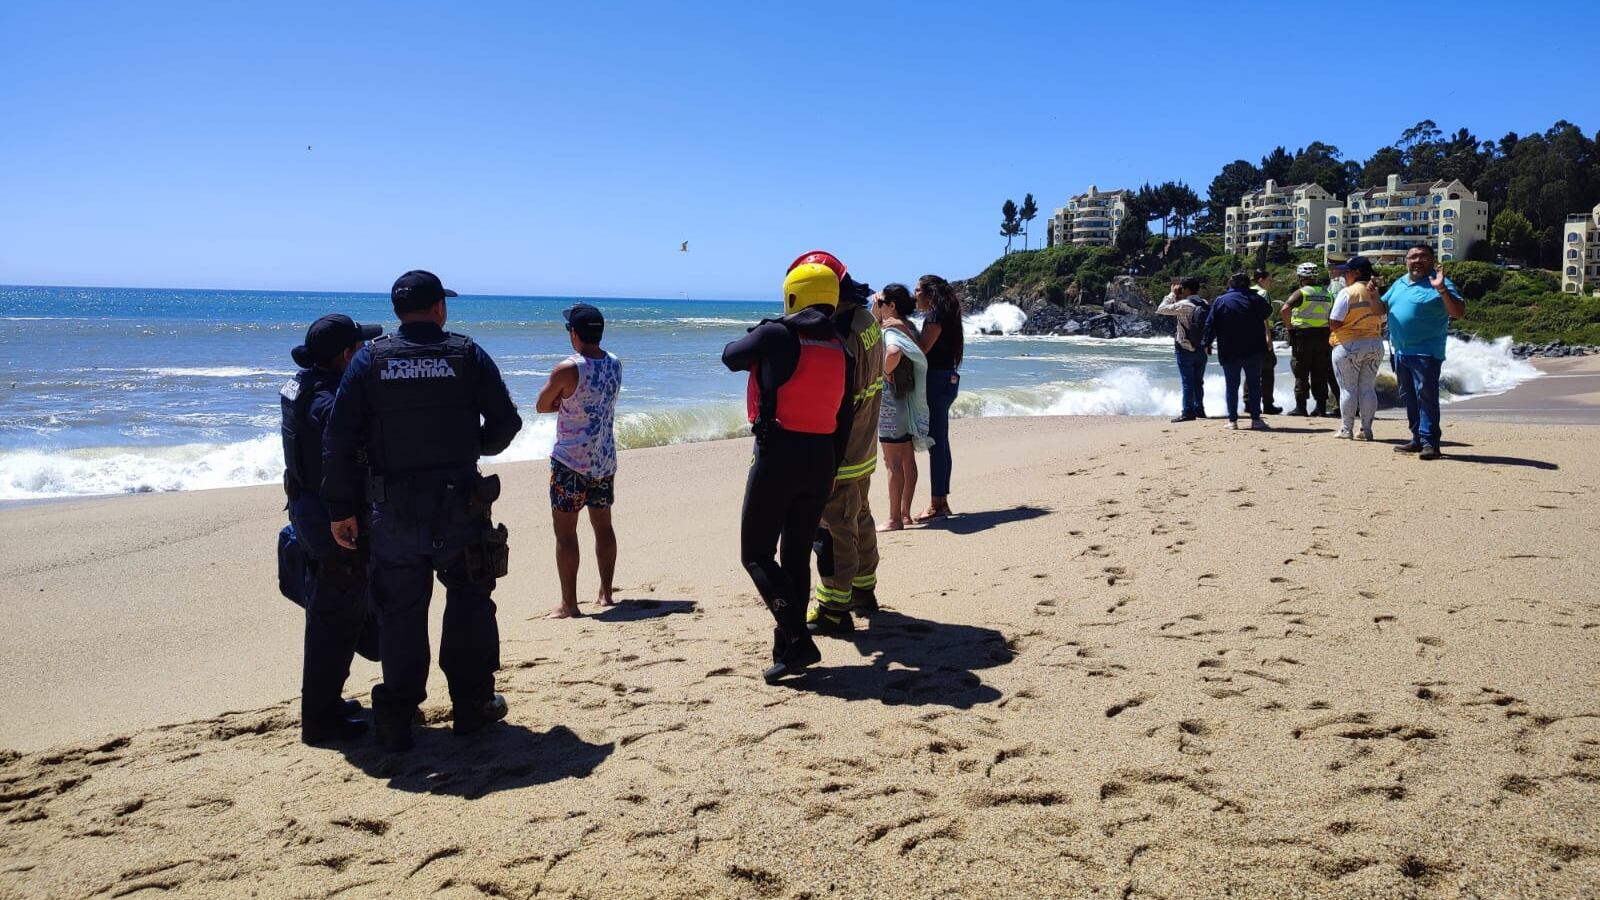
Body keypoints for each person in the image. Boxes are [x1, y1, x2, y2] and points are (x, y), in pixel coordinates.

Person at [323, 270, 524, 752]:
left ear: (397, 312)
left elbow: (339, 435)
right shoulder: (467, 354)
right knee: (471, 603)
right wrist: (468, 446)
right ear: (440, 308)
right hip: (459, 503)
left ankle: (398, 715)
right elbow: (506, 423)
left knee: (400, 612)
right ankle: (472, 705)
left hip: (391, 511)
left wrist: (339, 509)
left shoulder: (370, 359)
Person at [722, 261, 850, 683]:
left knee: (755, 554)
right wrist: (833, 466)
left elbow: (730, 356)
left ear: (792, 295)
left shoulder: (777, 333)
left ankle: (796, 638)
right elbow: (843, 415)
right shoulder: (840, 347)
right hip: (822, 459)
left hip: (779, 454)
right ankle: (787, 648)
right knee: (793, 555)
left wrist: (764, 328)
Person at [280, 314, 382, 745]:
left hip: (305, 509)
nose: (364, 352)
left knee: (331, 615)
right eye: (360, 347)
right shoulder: (328, 401)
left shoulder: (300, 383)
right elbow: (337, 452)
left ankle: (326, 704)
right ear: (345, 354)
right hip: (330, 519)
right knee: (333, 621)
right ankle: (320, 720)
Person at [791, 252, 884, 637]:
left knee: (834, 528)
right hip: (864, 444)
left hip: (841, 450)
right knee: (859, 515)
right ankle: (864, 589)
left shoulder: (842, 330)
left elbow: (836, 398)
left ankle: (833, 607)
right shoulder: (866, 320)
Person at [535, 303, 622, 619]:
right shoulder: (615, 363)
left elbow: (542, 405)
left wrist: (563, 402)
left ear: (575, 333)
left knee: (566, 534)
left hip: (571, 460)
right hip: (603, 458)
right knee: (603, 526)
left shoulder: (567, 369)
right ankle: (606, 592)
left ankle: (569, 604)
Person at [1383, 244, 1465, 460]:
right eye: (1413, 257)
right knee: (1408, 396)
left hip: (1426, 352)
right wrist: (1372, 296)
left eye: (1423, 257)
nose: (1417, 261)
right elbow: (1380, 309)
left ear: (1432, 260)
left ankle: (1431, 443)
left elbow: (1458, 313)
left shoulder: (1441, 283)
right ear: (1406, 261)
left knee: (1426, 396)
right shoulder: (1399, 283)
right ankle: (1417, 439)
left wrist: (1441, 289)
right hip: (1400, 351)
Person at [874, 284, 932, 532]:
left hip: (891, 403)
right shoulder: (909, 326)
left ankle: (894, 519)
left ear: (891, 305)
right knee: (907, 459)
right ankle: (905, 514)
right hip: (906, 400)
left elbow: (894, 351)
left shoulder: (890, 329)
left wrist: (884, 371)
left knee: (892, 463)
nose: (877, 306)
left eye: (880, 302)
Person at [913, 274, 963, 522]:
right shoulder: (948, 316)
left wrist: (896, 327)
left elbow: (921, 349)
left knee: (936, 442)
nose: (915, 296)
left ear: (929, 293)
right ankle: (940, 501)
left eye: (918, 290)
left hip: (937, 381)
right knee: (940, 441)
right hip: (947, 380)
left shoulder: (934, 318)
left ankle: (937, 504)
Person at [1203, 272, 1273, 431]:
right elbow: (1267, 312)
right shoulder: (1256, 299)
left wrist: (1206, 344)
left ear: (1231, 284)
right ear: (1247, 284)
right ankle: (1256, 420)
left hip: (1229, 349)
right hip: (1254, 349)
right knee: (1255, 385)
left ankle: (1233, 421)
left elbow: (1210, 324)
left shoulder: (1221, 300)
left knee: (1231, 385)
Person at [1327, 256, 1387, 441]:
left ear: (1356, 273)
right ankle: (1366, 430)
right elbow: (1383, 320)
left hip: (1348, 345)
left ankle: (1346, 430)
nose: (1344, 276)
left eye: (1347, 272)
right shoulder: (1376, 294)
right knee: (1368, 389)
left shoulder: (1348, 292)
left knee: (1348, 390)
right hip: (1375, 344)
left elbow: (1334, 321)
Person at [1280, 262, 1339, 418]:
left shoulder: (1301, 293)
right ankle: (1320, 407)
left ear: (1300, 277)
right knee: (1320, 372)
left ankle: (1301, 407)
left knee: (1301, 371)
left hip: (1303, 336)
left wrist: (1289, 326)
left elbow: (1285, 309)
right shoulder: (1328, 294)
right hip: (1323, 336)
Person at [1157, 277, 1209, 422]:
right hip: (1201, 348)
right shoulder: (1204, 303)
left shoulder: (1184, 304)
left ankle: (1188, 412)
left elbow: (1161, 309)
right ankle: (1200, 409)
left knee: (1187, 382)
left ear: (1186, 289)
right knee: (1199, 381)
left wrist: (1172, 294)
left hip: (1185, 347)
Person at [1250, 269, 1284, 414]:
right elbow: (1264, 318)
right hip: (1262, 334)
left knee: (1251, 369)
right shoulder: (1263, 294)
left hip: (1248, 335)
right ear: (1261, 280)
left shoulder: (1248, 291)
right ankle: (1268, 404)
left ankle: (1247, 402)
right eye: (1269, 279)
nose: (1272, 282)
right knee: (1267, 370)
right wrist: (1268, 338)